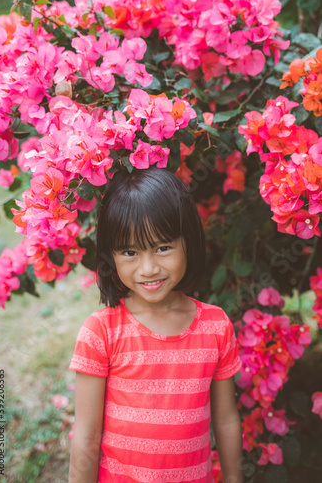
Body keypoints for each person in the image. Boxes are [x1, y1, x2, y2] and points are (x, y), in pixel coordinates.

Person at [69, 167, 243, 483]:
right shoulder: (102, 332)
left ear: (188, 242)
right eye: (130, 252)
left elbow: (226, 419)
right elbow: (86, 438)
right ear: (111, 257)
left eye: (163, 247)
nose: (148, 268)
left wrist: (233, 478)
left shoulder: (216, 327)